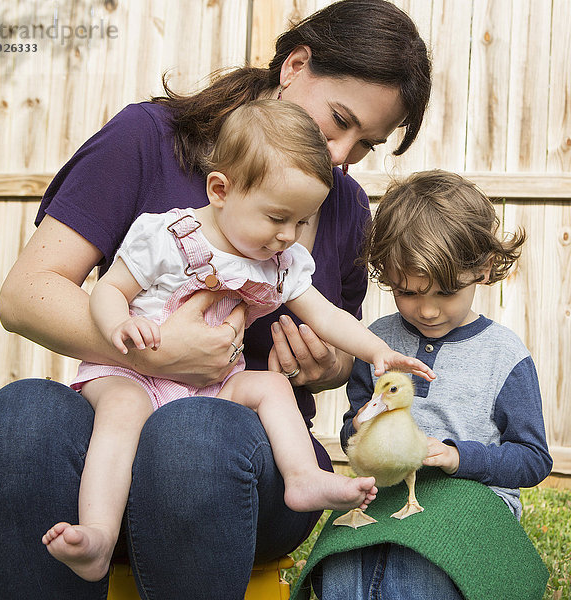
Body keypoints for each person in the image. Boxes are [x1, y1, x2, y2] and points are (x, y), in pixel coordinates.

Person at [0, 1, 432, 598]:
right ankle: (89, 542)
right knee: (17, 420)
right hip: (118, 442)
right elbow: (25, 295)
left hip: (237, 473)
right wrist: (157, 353)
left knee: (193, 434)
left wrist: (328, 366)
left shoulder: (341, 201)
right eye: (339, 120)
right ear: (295, 66)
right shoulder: (147, 140)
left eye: (366, 143)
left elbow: (336, 335)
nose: (343, 155)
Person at [41, 100, 438, 582]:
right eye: (277, 218)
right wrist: (118, 327)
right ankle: (98, 536)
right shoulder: (170, 235)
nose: (288, 236)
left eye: (300, 222)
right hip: (132, 374)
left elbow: (326, 314)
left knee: (270, 387)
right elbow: (108, 289)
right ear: (220, 190)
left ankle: (302, 478)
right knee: (121, 412)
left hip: (209, 389)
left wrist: (376, 351)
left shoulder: (278, 261)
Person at [313, 170, 553, 600]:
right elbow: (354, 424)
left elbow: (533, 460)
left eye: (444, 292)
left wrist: (457, 456)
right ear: (385, 274)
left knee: (416, 570)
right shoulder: (377, 342)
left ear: (482, 269)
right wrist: (362, 430)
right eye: (407, 292)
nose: (426, 310)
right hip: (387, 488)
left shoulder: (504, 354)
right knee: (342, 567)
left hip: (471, 493)